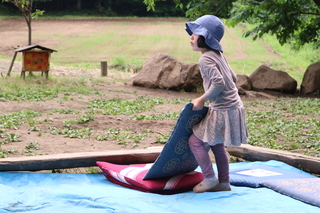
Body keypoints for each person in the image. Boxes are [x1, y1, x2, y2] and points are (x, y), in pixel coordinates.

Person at [185, 15, 248, 193]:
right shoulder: (218, 55)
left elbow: (219, 83)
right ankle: (224, 183)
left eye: (195, 34)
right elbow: (233, 78)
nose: (191, 37)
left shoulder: (205, 59)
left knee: (195, 141)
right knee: (217, 145)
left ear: (205, 38)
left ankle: (210, 178)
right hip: (234, 107)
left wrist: (201, 99)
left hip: (222, 110)